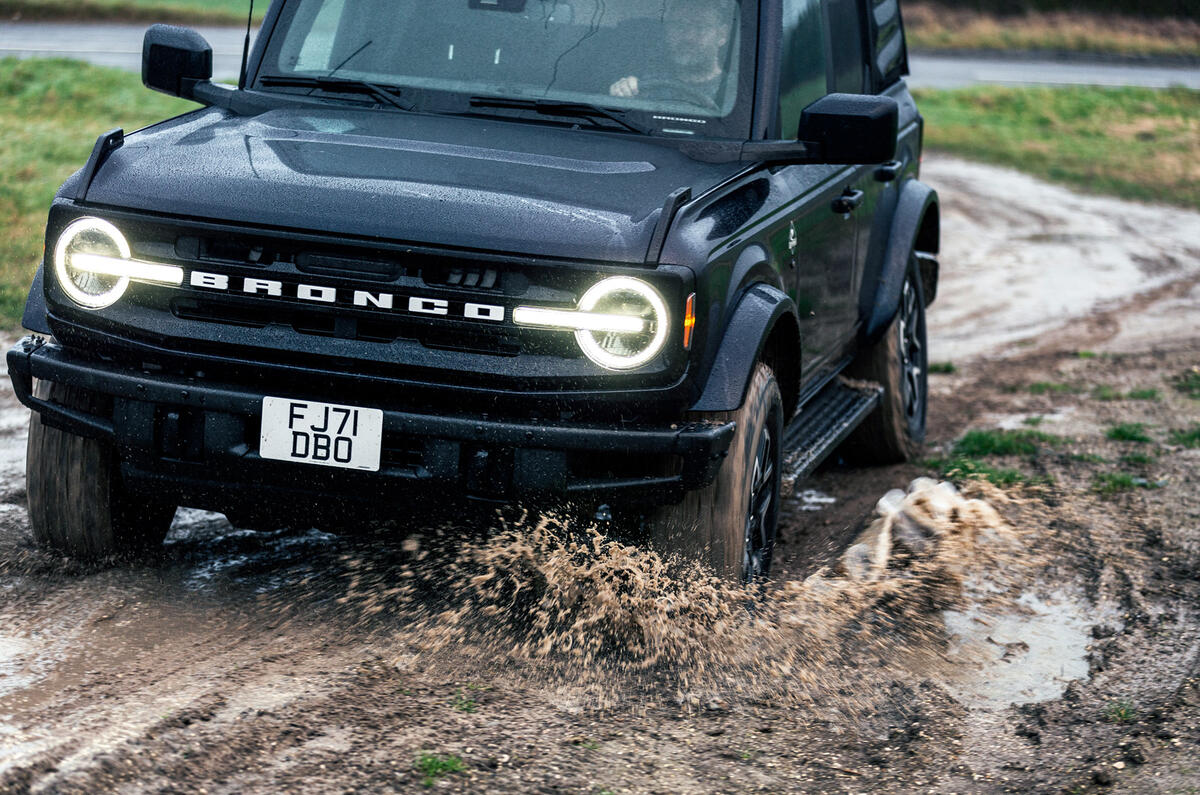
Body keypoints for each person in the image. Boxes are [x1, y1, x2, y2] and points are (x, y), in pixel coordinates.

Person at [608, 0, 734, 106]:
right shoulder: (644, 77)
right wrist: (624, 92)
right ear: (667, 31)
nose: (688, 37)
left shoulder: (735, 93)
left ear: (722, 35)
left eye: (700, 27)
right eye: (679, 26)